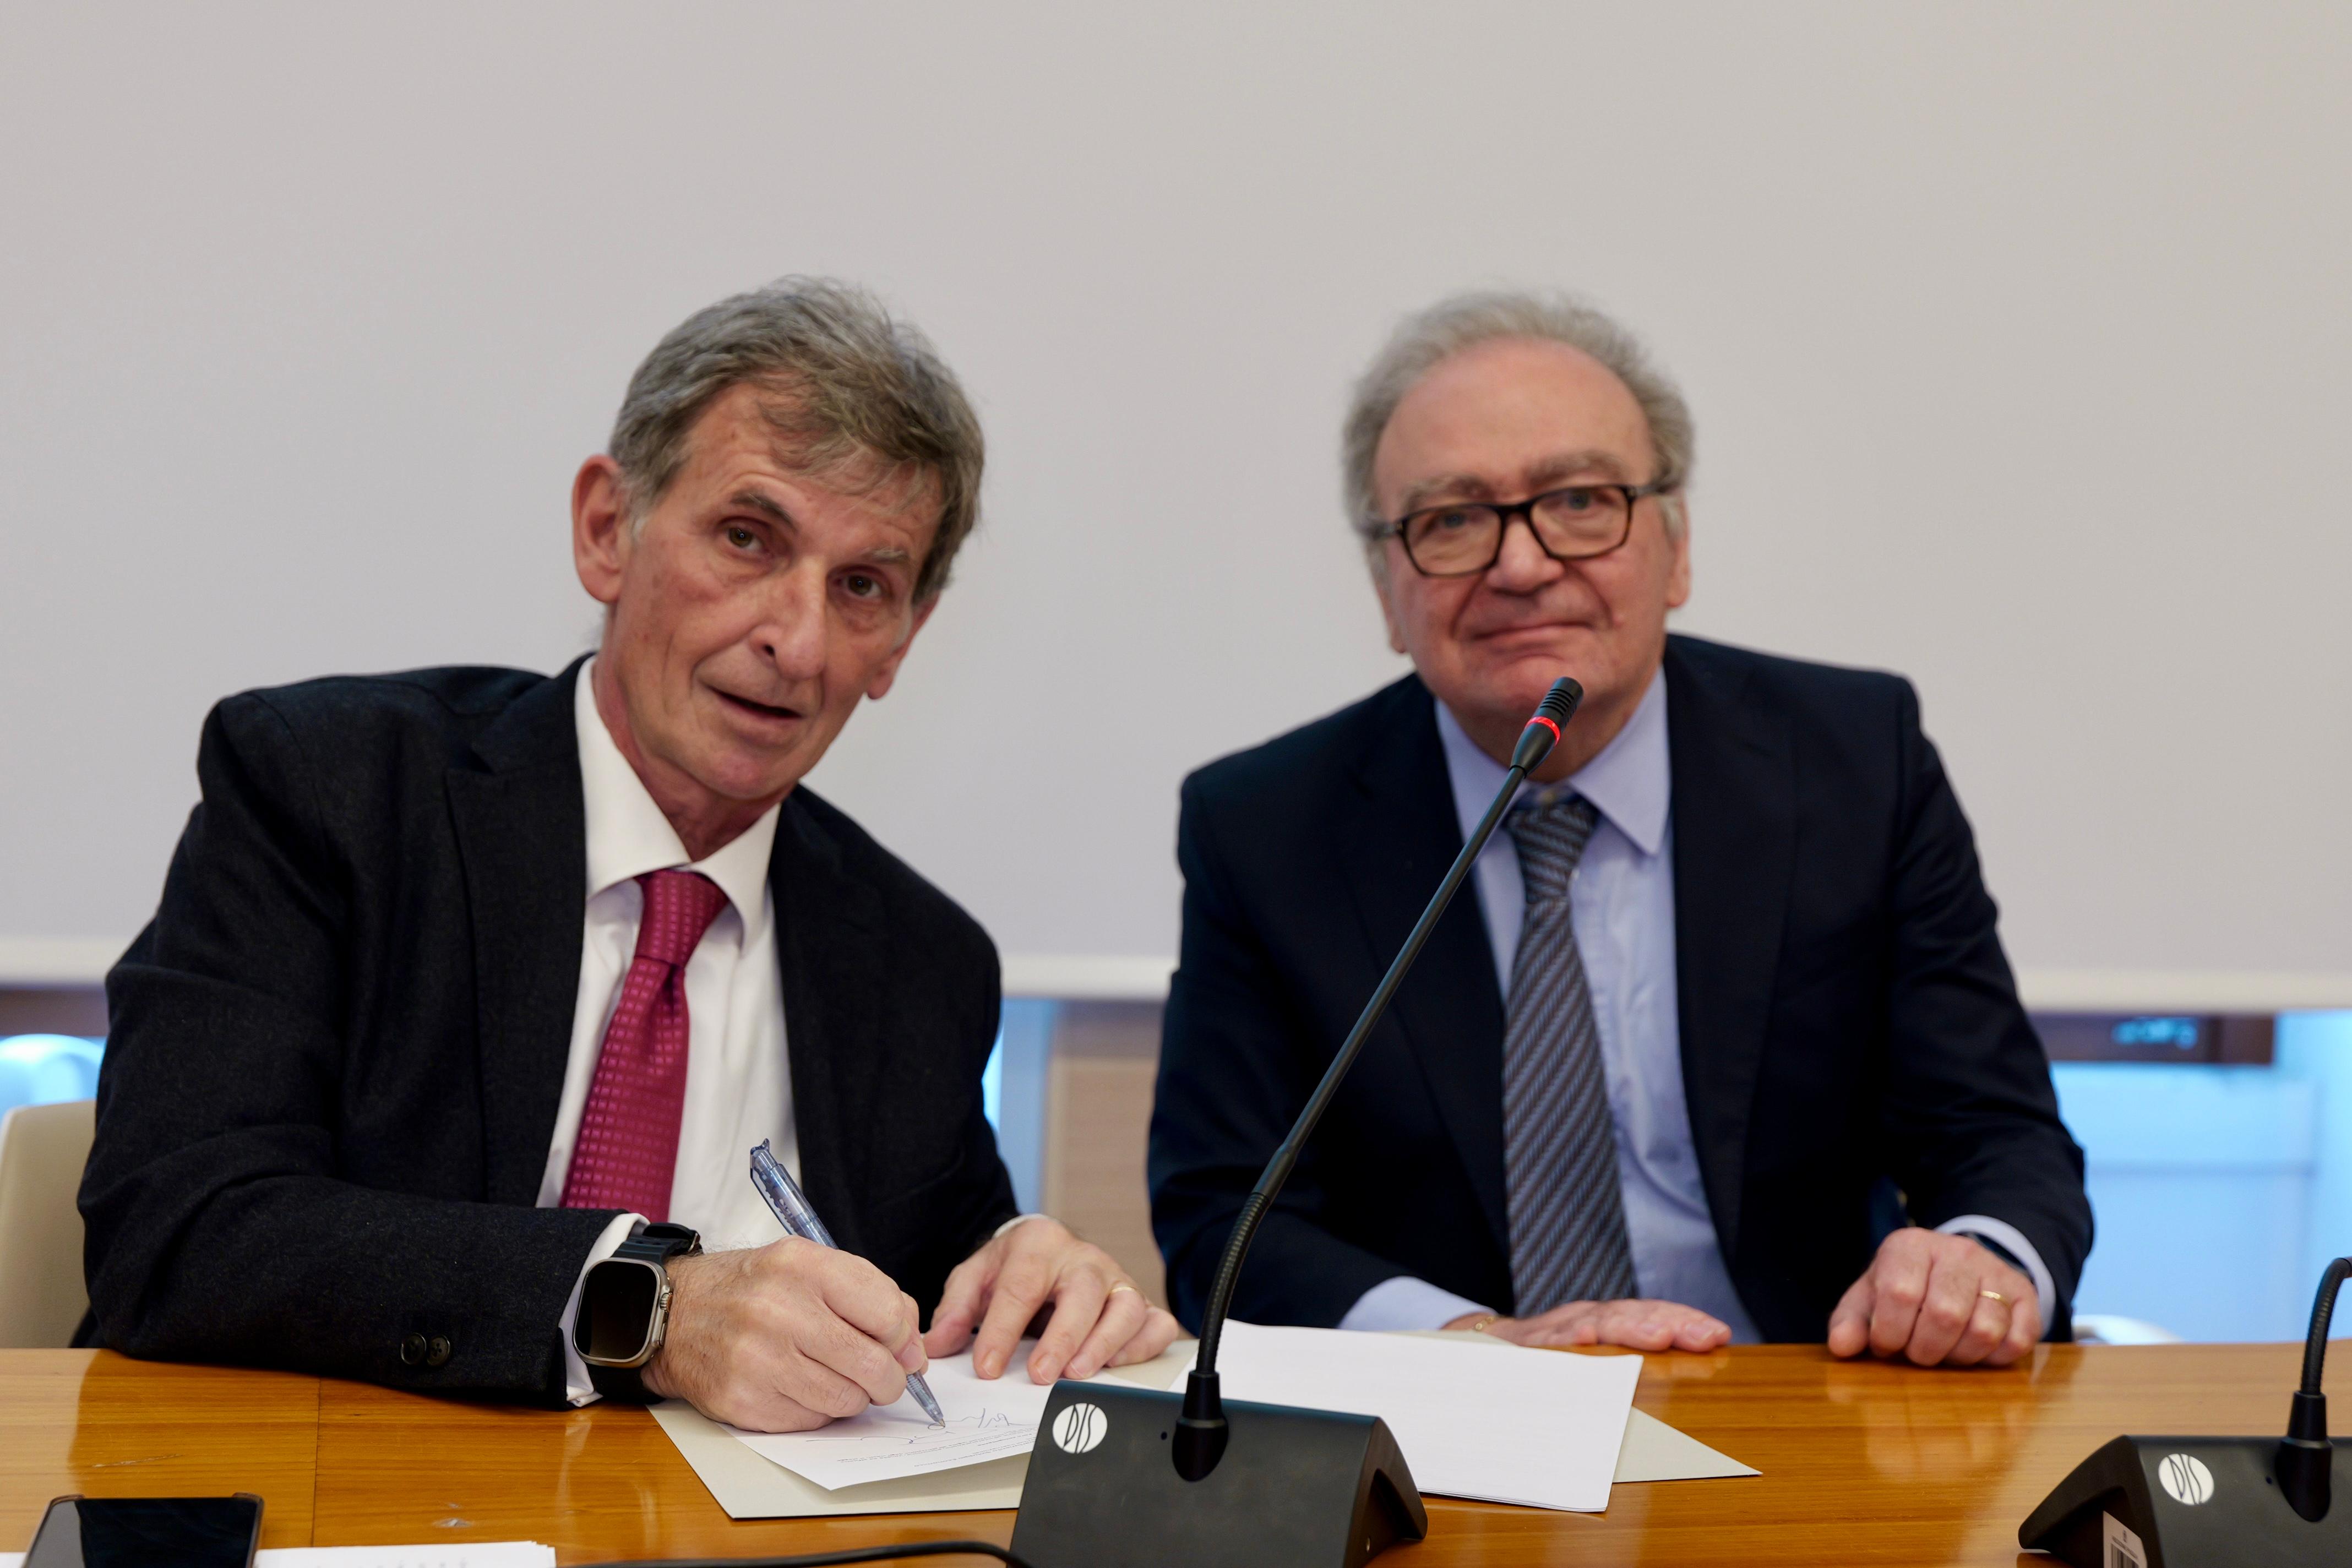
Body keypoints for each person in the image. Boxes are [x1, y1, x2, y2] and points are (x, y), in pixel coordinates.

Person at [83, 278, 1179, 1429]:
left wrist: (1029, 1274)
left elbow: (945, 1296)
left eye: (862, 586)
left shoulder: (920, 960)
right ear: (608, 530)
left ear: (903, 639)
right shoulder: (334, 792)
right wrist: (645, 1303)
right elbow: (175, 1228)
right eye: (747, 539)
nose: (798, 642)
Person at [1149, 290, 2091, 1368]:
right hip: (1455, 1415)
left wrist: (1976, 1266)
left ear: (1676, 551)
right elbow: (1224, 1215)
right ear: (1385, 591)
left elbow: (1996, 1133)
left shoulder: (1855, 761)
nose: (1520, 566)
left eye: (1580, 501)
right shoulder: (1265, 827)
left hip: (1801, 1394)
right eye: (1451, 520)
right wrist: (1475, 1341)